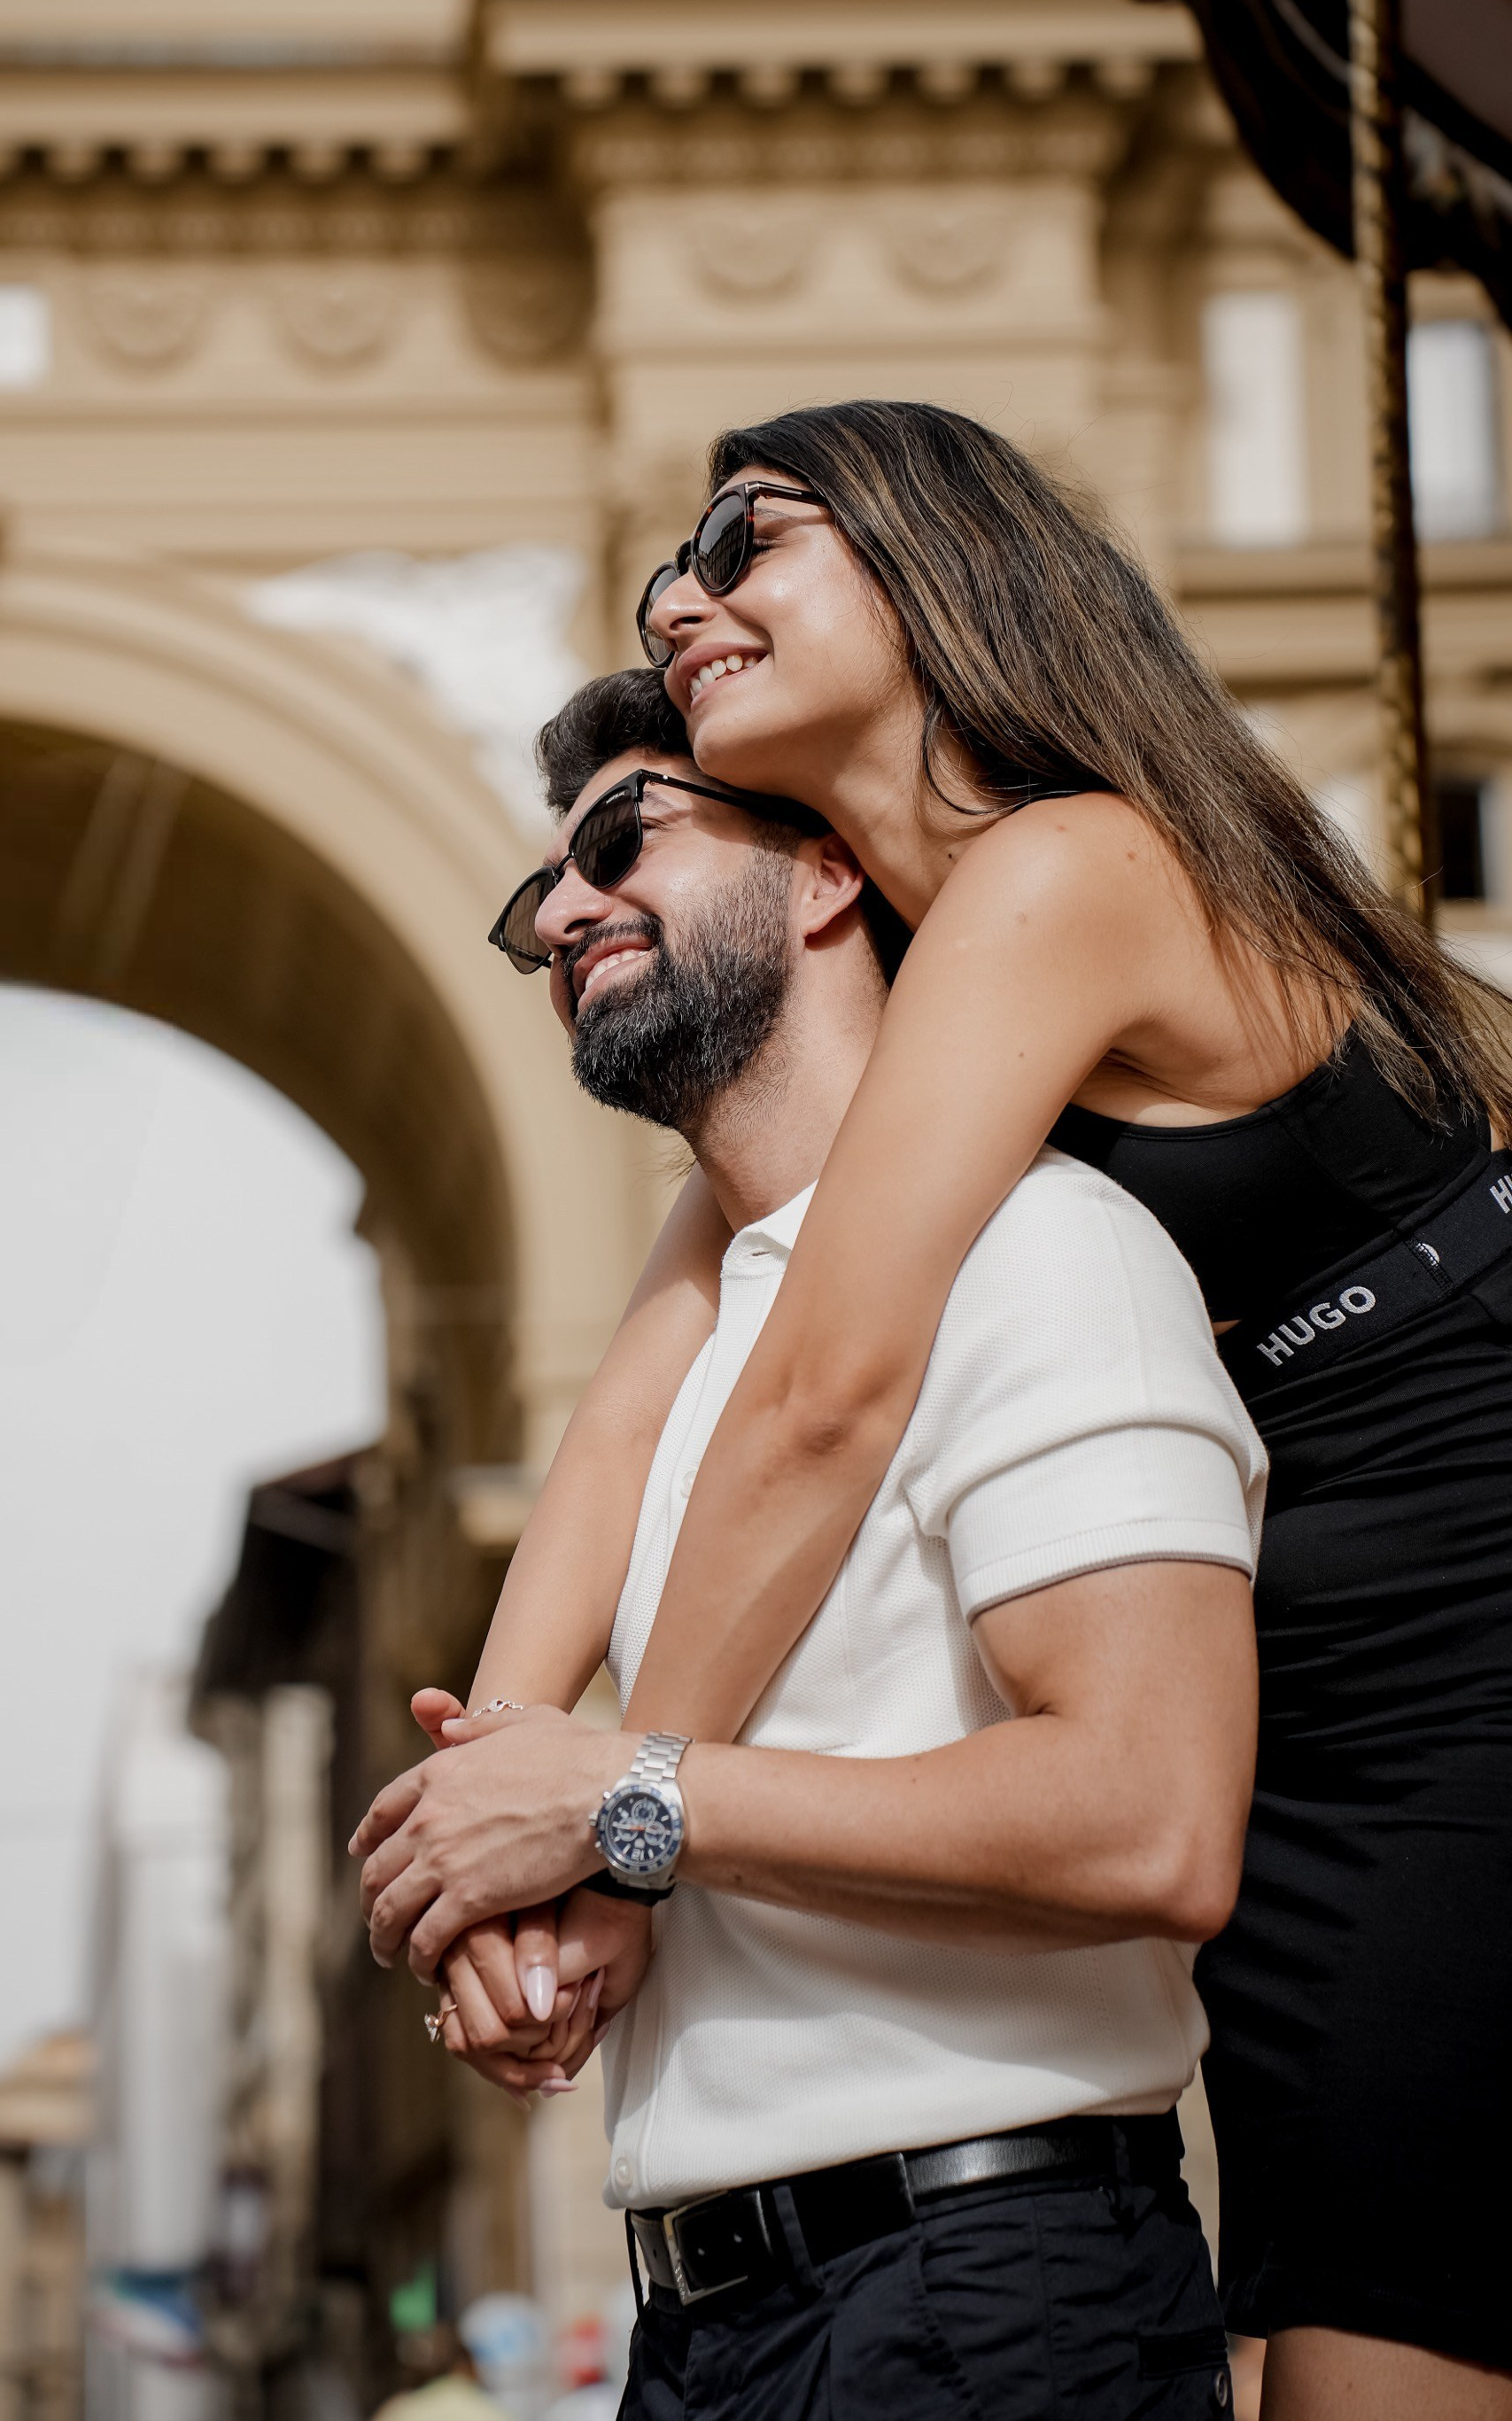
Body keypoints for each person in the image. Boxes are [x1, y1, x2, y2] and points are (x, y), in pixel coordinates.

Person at [361, 403, 1512, 2419]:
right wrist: (498, 1807)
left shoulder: (1064, 872)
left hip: (1464, 1605)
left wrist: (627, 1828)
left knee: (1376, 2313)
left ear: (939, 553)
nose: (682, 594)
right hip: (1303, 1623)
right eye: (663, 576)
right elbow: (656, 1394)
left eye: (742, 538)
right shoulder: (903, 976)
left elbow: (820, 1396)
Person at [356, 664, 1267, 2419]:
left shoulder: (1038, 1257)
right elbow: (601, 1789)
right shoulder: (691, 1348)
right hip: (710, 2328)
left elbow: (1154, 1823)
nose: (560, 913)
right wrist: (506, 1911)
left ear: (831, 870)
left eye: (623, 839)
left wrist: (626, 1809)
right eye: (536, 891)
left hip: (982, 2291)